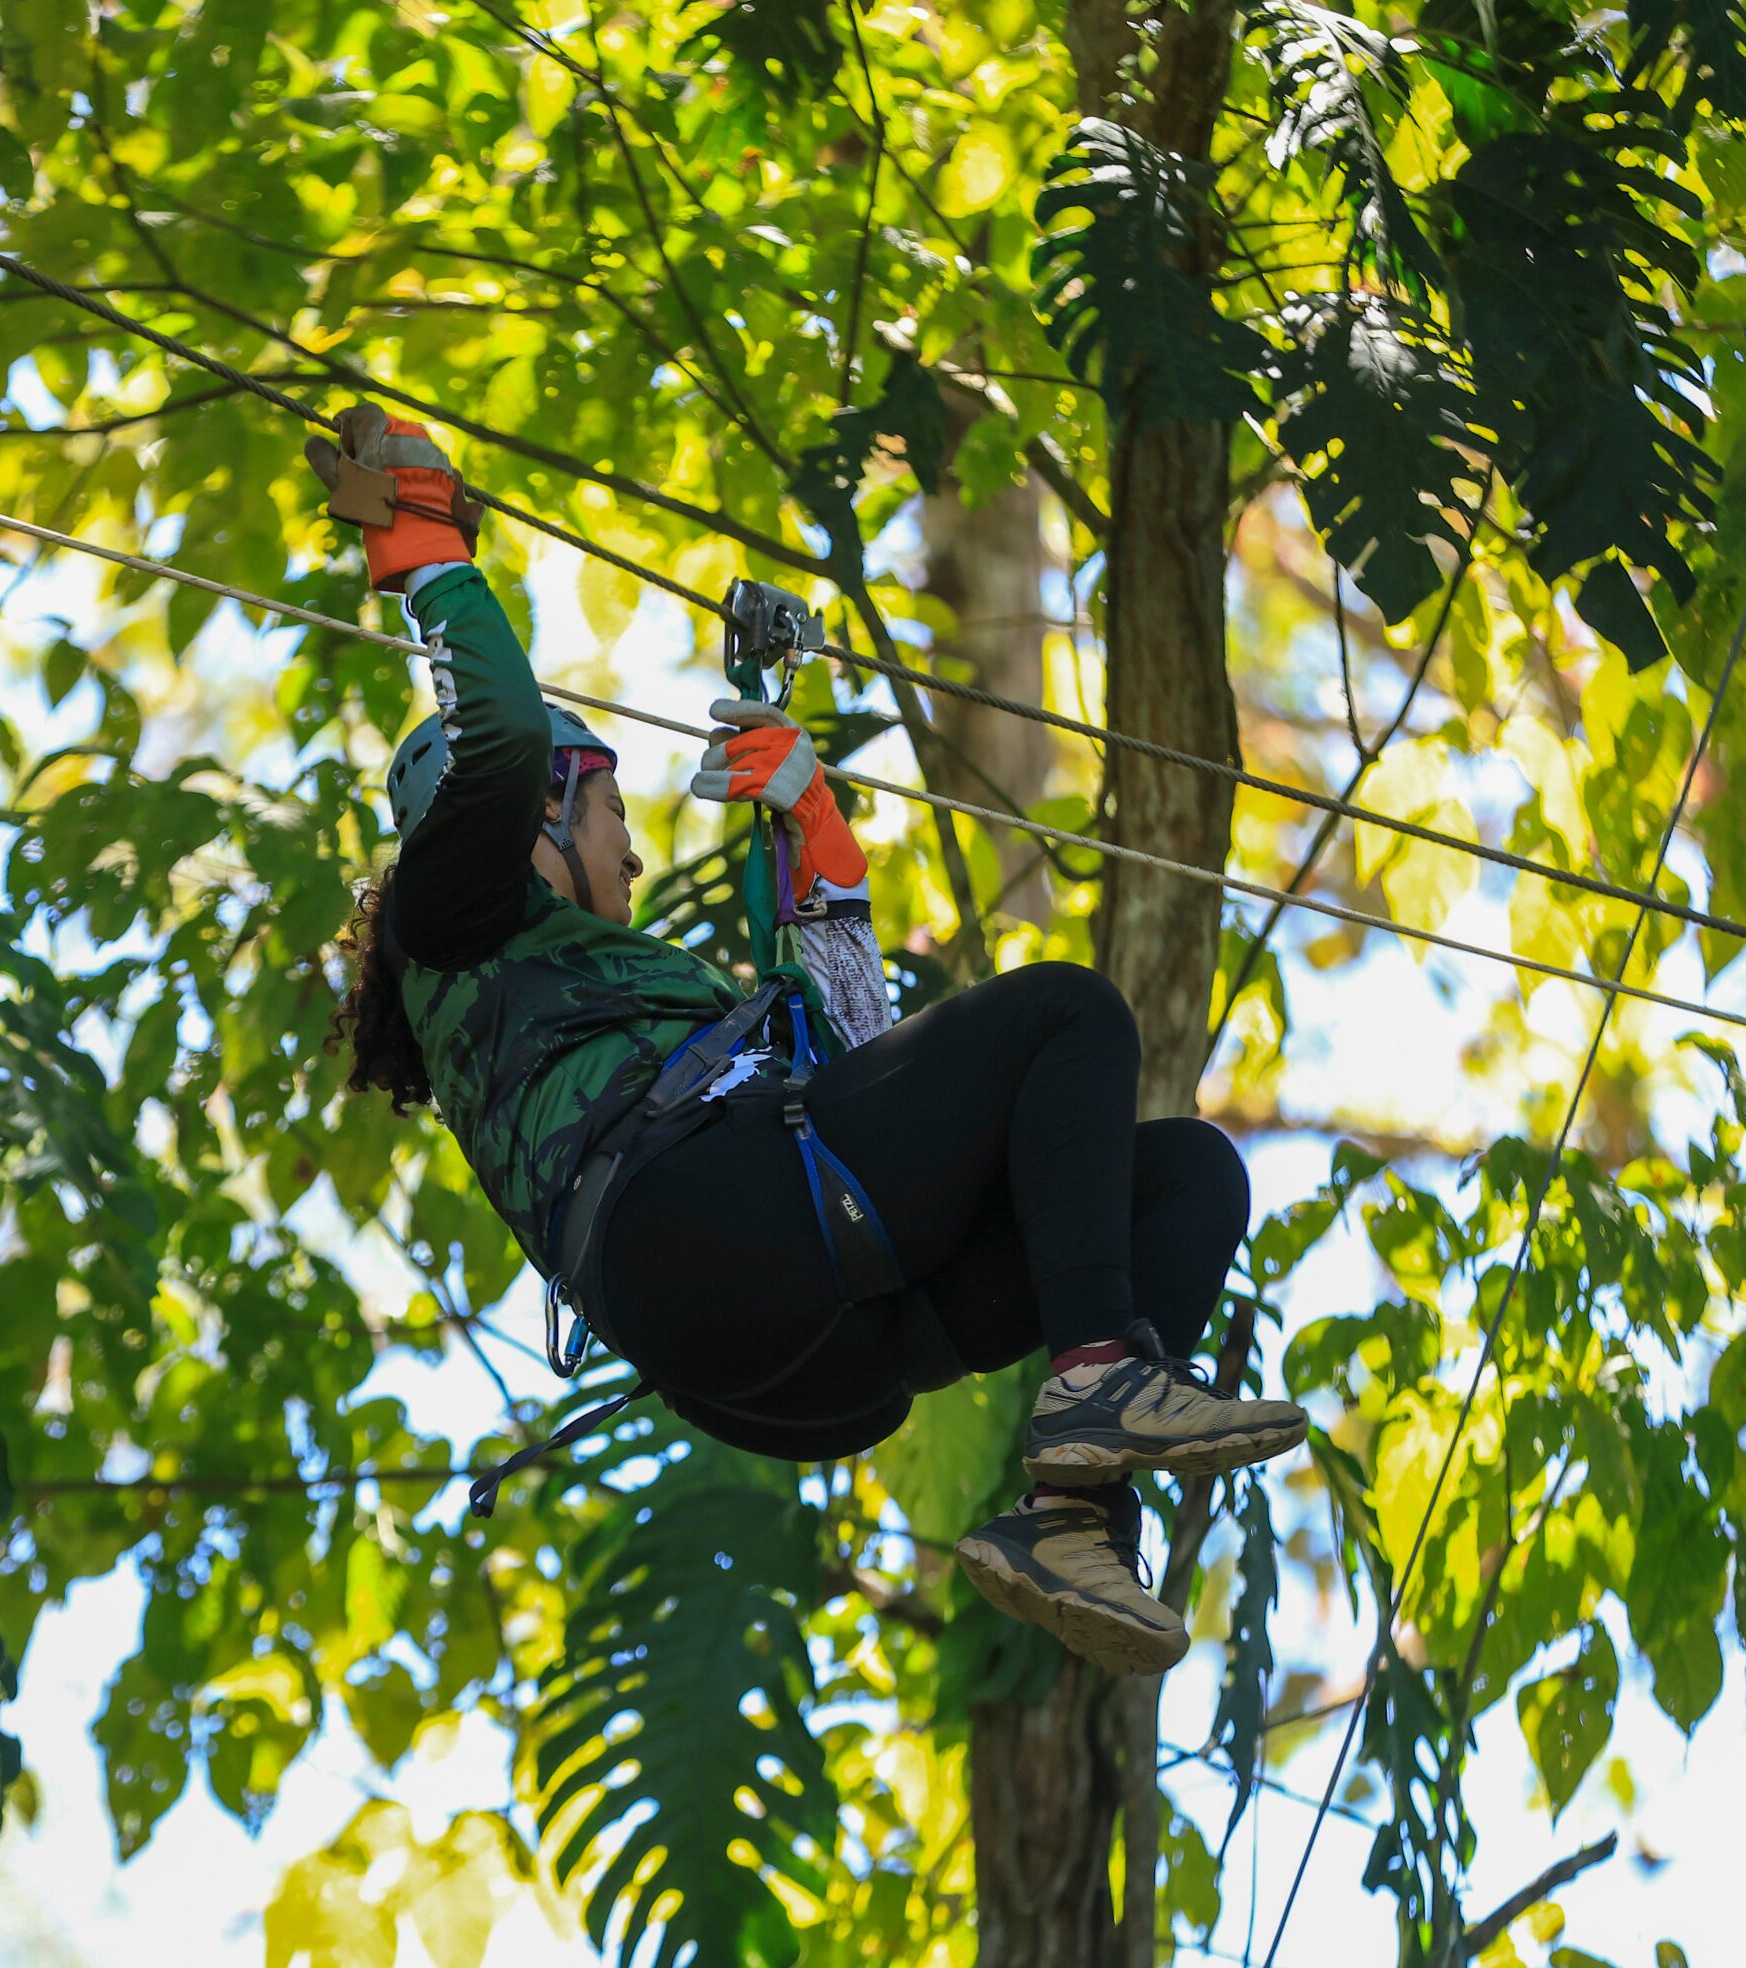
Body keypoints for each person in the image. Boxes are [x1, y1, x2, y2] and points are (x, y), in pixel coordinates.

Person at [315, 407, 1308, 1675]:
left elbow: (854, 1080)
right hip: (703, 1236)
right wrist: (428, 552)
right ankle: (1103, 1373)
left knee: (1183, 1178)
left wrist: (820, 850)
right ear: (536, 817)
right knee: (1067, 1013)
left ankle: (1077, 1523)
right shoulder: (452, 919)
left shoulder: (591, 996)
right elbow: (500, 733)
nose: (628, 848)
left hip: (809, 1345)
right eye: (610, 810)